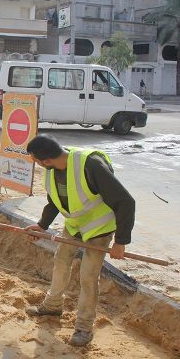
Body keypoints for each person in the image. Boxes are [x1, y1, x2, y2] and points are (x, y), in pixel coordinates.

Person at [23, 134, 135, 347]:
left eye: (35, 160)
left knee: (88, 277)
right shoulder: (52, 170)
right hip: (74, 226)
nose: (35, 164)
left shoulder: (90, 165)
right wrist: (42, 225)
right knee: (61, 262)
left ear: (46, 160)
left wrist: (121, 241)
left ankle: (84, 328)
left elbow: (126, 202)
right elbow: (55, 200)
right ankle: (53, 305)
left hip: (99, 229)